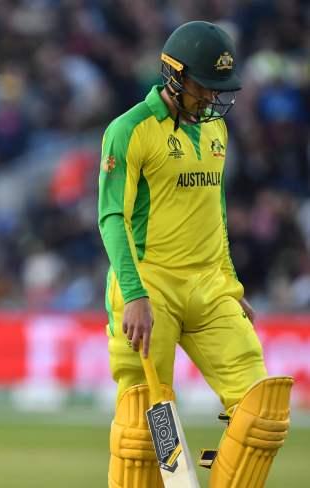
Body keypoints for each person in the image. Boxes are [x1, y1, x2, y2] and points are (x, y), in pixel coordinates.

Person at [97, 21, 293, 488]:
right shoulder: (129, 130)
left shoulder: (216, 131)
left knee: (261, 413)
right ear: (174, 76)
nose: (212, 98)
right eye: (205, 86)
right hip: (150, 288)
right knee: (147, 426)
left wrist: (230, 282)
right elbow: (111, 219)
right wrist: (135, 294)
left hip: (210, 287)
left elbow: (215, 213)